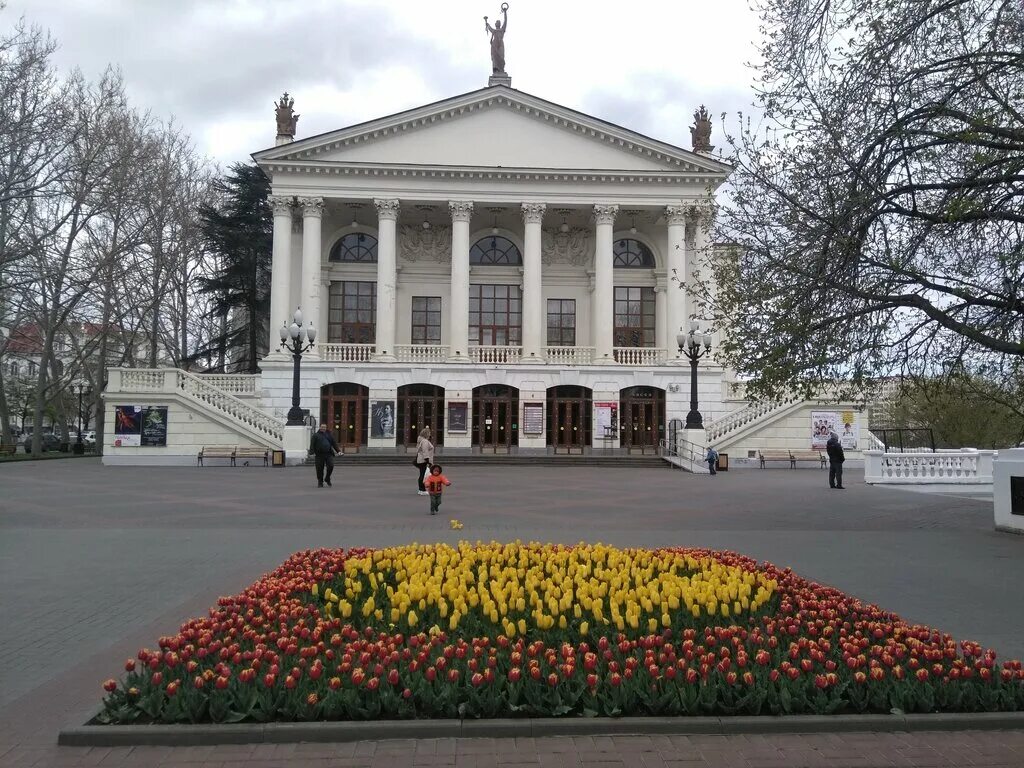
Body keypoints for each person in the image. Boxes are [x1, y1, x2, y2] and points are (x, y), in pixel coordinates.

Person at [309, 423, 340, 488]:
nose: (323, 428)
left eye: (324, 427)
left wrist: (338, 451)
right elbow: (312, 444)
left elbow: (334, 443)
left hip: (328, 454)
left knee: (331, 465)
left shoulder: (329, 435)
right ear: (320, 427)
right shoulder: (315, 435)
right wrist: (311, 452)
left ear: (326, 428)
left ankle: (327, 478)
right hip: (319, 455)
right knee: (319, 469)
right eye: (322, 427)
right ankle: (320, 482)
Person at [415, 427, 434, 496]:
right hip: (423, 460)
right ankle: (422, 490)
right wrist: (428, 461)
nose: (430, 435)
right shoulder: (425, 441)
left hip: (420, 460)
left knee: (422, 475)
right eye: (429, 433)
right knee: (423, 476)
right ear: (426, 434)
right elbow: (425, 451)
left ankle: (420, 489)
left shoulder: (421, 440)